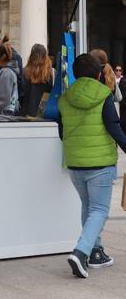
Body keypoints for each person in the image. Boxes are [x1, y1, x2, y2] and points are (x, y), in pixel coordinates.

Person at [58, 54, 126, 279]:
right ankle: (81, 252)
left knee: (88, 207)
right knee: (99, 210)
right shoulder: (104, 94)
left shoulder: (65, 97)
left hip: (75, 163)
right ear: (98, 74)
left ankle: (96, 252)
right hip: (100, 163)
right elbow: (114, 128)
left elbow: (61, 131)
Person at [21, 44, 54, 117]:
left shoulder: (24, 72)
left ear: (31, 56)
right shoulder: (49, 74)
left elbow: (21, 94)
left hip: (25, 113)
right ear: (45, 56)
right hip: (42, 113)